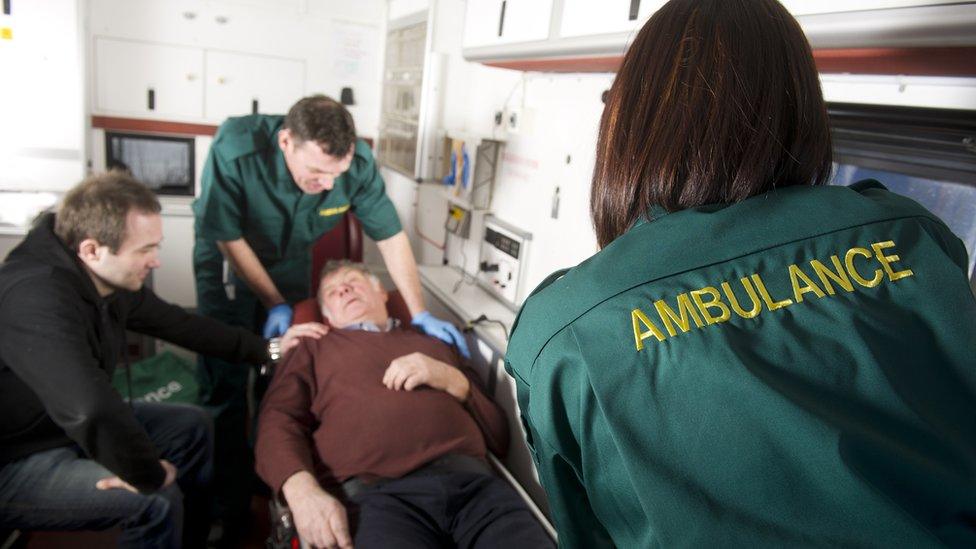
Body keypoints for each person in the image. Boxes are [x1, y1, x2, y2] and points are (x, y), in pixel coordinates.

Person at [505, 0, 976, 547]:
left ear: (627, 127)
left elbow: (588, 531)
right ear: (801, 112)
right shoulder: (915, 238)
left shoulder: (562, 333)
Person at [0, 172, 322, 548]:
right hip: (16, 457)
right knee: (154, 500)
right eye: (145, 250)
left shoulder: (101, 276)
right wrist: (145, 472)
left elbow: (181, 325)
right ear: (92, 250)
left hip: (61, 427)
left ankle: (190, 539)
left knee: (193, 425)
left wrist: (270, 350)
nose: (155, 261)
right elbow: (88, 406)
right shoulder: (35, 295)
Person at [193, 95, 469, 533]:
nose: (326, 183)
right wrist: (274, 303)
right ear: (286, 141)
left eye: (335, 175)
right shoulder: (236, 147)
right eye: (316, 173)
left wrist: (419, 313)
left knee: (279, 378)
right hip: (229, 262)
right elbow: (227, 235)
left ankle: (272, 485)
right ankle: (225, 508)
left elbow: (392, 236)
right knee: (225, 381)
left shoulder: (353, 165)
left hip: (290, 263)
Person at [255, 261, 553, 548]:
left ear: (382, 293)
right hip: (376, 498)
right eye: (333, 292)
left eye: (353, 282)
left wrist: (452, 379)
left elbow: (500, 438)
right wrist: (301, 491)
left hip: (475, 490)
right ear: (327, 317)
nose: (344, 290)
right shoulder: (312, 348)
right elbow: (277, 419)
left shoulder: (436, 342)